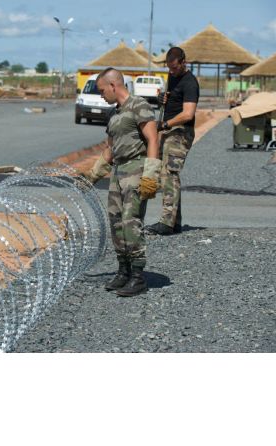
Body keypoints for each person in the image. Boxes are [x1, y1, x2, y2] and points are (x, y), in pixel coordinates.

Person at [83, 68, 161, 297]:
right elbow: (109, 149)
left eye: (101, 90)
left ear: (113, 86)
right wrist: (91, 177)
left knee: (130, 221)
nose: (100, 95)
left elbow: (153, 138)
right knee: (116, 222)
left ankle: (137, 276)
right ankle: (123, 271)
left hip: (136, 169)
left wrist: (150, 175)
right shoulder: (114, 114)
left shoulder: (139, 106)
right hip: (118, 172)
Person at [146, 47, 200, 236]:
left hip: (181, 131)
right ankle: (174, 222)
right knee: (164, 174)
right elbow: (172, 102)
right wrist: (162, 99)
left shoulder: (190, 83)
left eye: (175, 68)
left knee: (170, 173)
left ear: (184, 61)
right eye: (169, 68)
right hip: (169, 131)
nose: (172, 71)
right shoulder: (172, 77)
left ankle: (167, 222)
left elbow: (188, 114)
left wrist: (165, 124)